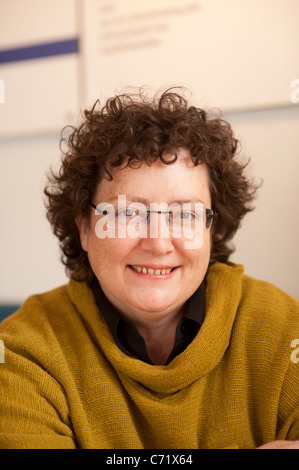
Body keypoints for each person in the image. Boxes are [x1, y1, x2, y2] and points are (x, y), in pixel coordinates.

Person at [0, 88, 298, 450]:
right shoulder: (21, 351)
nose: (158, 243)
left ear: (211, 228)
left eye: (184, 214)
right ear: (84, 228)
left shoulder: (284, 328)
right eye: (127, 213)